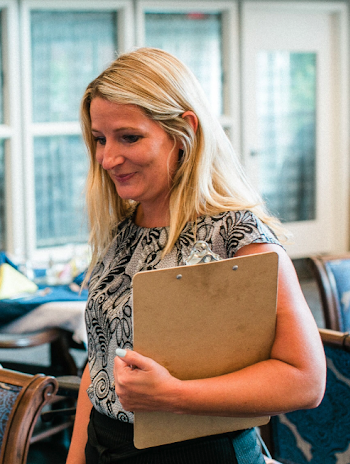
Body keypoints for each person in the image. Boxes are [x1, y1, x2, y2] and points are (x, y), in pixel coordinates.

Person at [66, 48, 326, 464]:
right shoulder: (122, 232)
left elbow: (305, 380)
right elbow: (99, 363)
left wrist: (175, 395)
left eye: (129, 137)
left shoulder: (235, 236)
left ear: (184, 131)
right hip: (106, 446)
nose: (108, 158)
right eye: (100, 139)